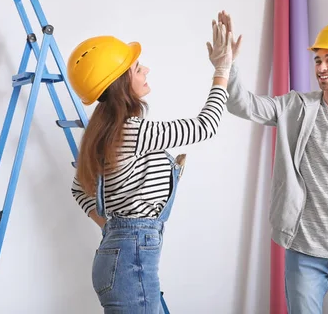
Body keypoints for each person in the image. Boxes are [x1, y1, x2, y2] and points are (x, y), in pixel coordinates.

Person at [216, 12, 328, 314]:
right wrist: (228, 66)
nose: (321, 67)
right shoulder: (296, 107)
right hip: (304, 252)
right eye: (317, 60)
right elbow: (243, 105)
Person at [66, 21, 233, 313]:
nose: (146, 71)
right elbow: (205, 126)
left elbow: (78, 188)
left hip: (118, 254)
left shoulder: (101, 132)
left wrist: (114, 227)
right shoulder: (133, 131)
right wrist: (222, 71)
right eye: (137, 68)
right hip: (131, 257)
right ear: (119, 82)